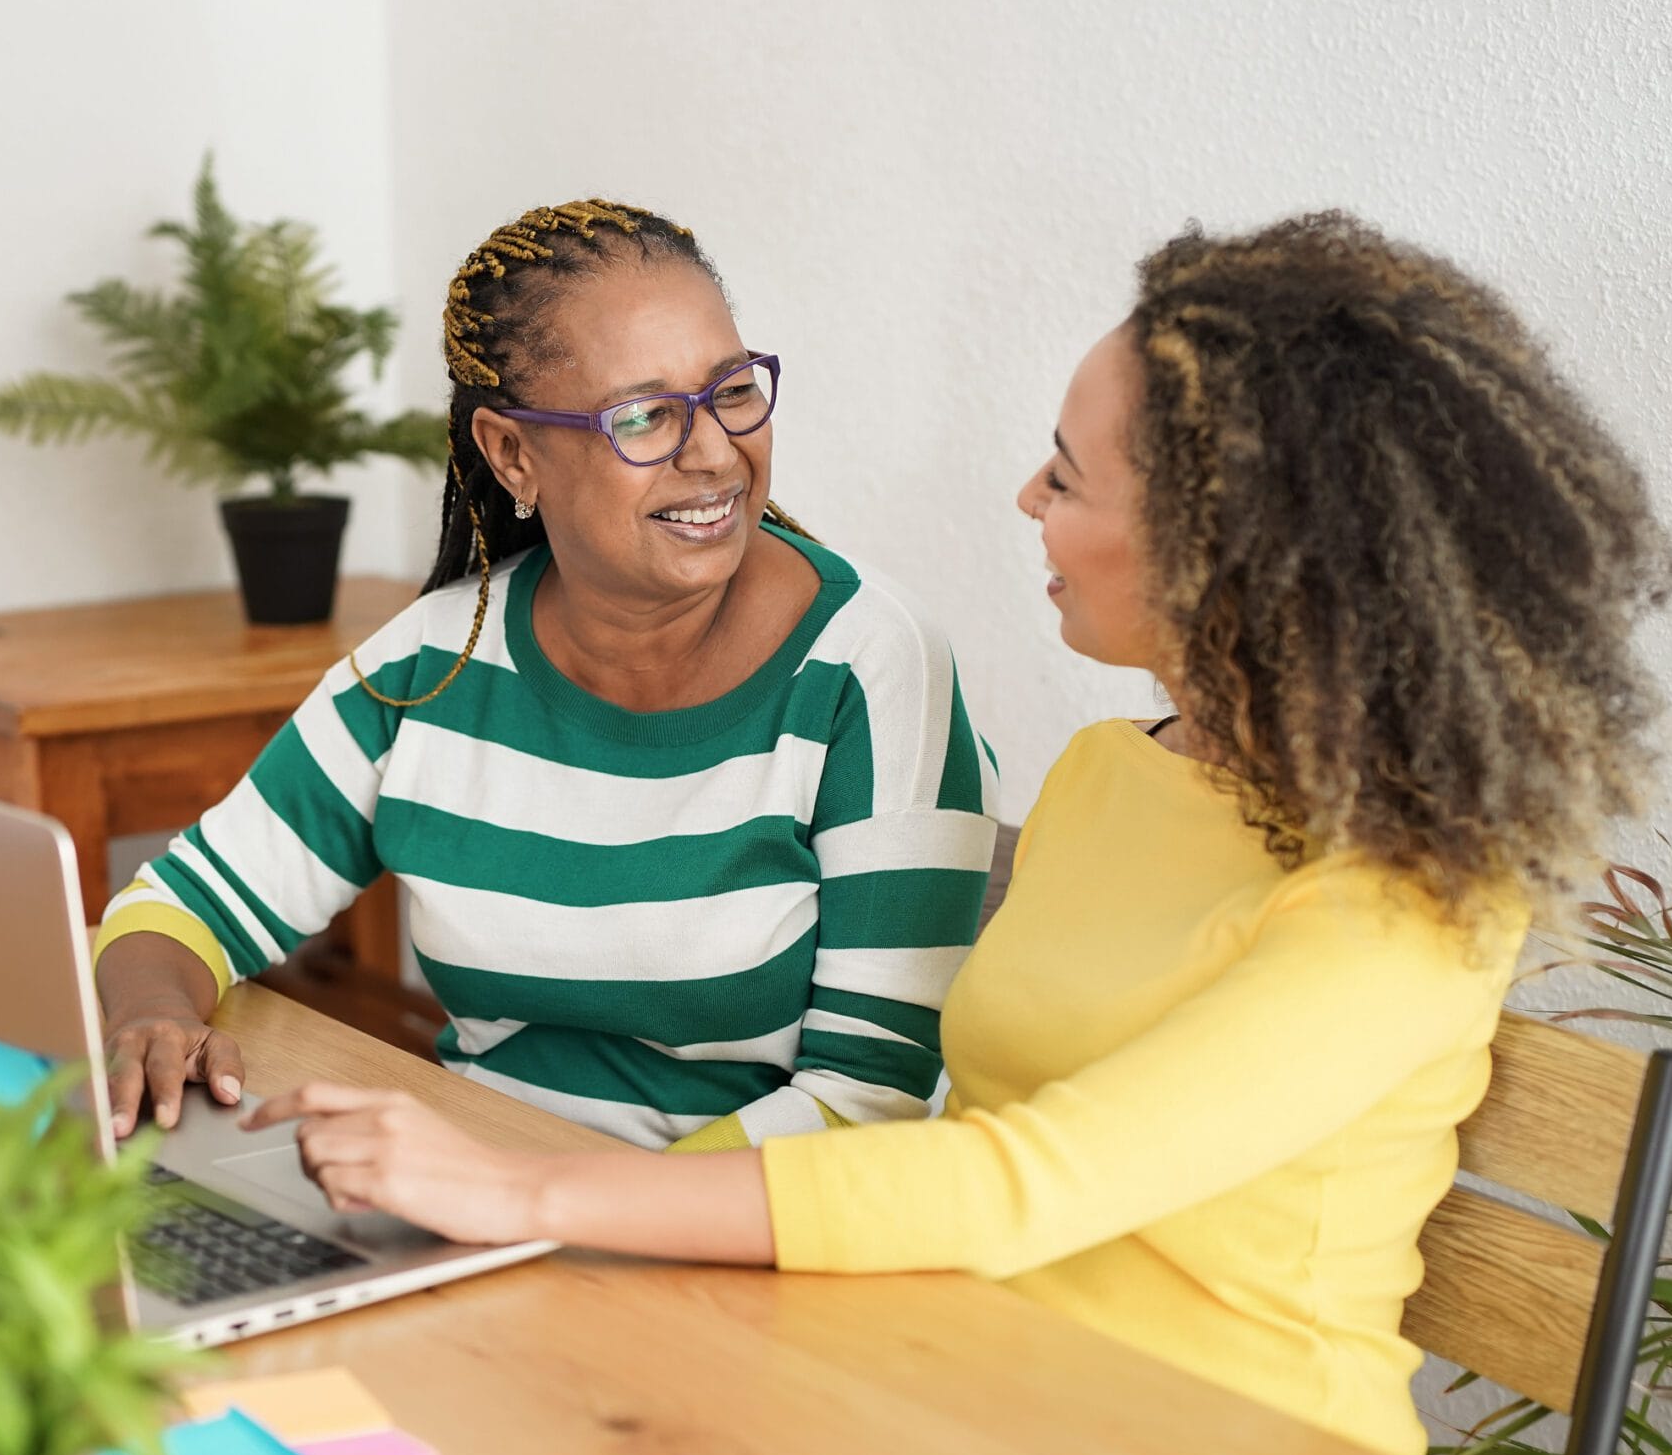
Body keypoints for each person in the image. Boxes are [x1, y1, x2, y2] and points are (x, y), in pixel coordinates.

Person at [249, 211, 1672, 1455]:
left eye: (1066, 474)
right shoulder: (1113, 776)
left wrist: (523, 1187)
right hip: (972, 1401)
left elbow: (1018, 1180)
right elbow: (965, 1114)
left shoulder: (1405, 911)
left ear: (1214, 544)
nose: (1027, 501)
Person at [93, 200, 998, 1153]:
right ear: (512, 452)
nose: (714, 452)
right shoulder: (431, 668)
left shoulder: (869, 666)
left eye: (731, 389)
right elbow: (185, 901)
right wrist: (149, 1012)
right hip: (482, 1207)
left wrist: (564, 1209)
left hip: (749, 1239)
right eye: (643, 416)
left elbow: (870, 1095)